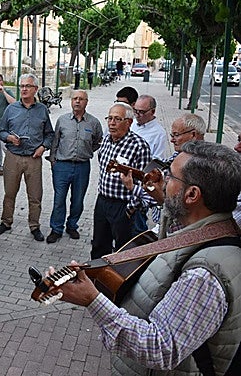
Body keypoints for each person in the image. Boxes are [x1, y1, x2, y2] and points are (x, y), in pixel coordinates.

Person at [53, 141, 241, 375]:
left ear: (192, 195)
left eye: (171, 177)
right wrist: (168, 205)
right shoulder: (204, 228)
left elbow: (160, 348)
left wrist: (92, 300)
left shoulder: (205, 275)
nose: (163, 182)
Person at [121, 113, 206, 237]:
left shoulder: (199, 164)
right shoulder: (178, 155)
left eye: (176, 135)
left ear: (193, 135)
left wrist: (135, 188)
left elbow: (171, 204)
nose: (171, 140)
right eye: (172, 135)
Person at [0, 73, 55, 242]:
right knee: (9, 193)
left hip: (34, 158)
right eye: (22, 86)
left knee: (35, 196)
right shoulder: (11, 109)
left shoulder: (42, 109)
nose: (24, 89)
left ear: (35, 89)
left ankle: (34, 226)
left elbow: (50, 134)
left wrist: (43, 148)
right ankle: (6, 222)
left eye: (28, 86)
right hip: (13, 157)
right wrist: (9, 138)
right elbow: (0, 131)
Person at [91, 102, 151, 259]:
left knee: (122, 250)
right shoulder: (105, 141)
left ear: (129, 122)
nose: (112, 123)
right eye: (109, 118)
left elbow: (145, 182)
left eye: (117, 119)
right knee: (98, 245)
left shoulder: (139, 146)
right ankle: (94, 280)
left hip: (123, 206)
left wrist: (131, 208)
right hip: (103, 202)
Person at [46, 90, 103, 243]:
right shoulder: (62, 120)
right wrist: (53, 161)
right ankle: (56, 228)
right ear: (71, 101)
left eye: (81, 99)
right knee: (59, 199)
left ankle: (72, 225)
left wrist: (87, 151)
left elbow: (98, 141)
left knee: (78, 200)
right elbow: (55, 142)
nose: (77, 101)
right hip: (62, 166)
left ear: (86, 102)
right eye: (75, 98)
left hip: (82, 167)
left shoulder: (94, 122)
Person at [131, 95, 168, 160]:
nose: (137, 115)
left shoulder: (159, 133)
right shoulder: (130, 124)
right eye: (135, 111)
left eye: (141, 112)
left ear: (152, 111)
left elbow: (157, 159)